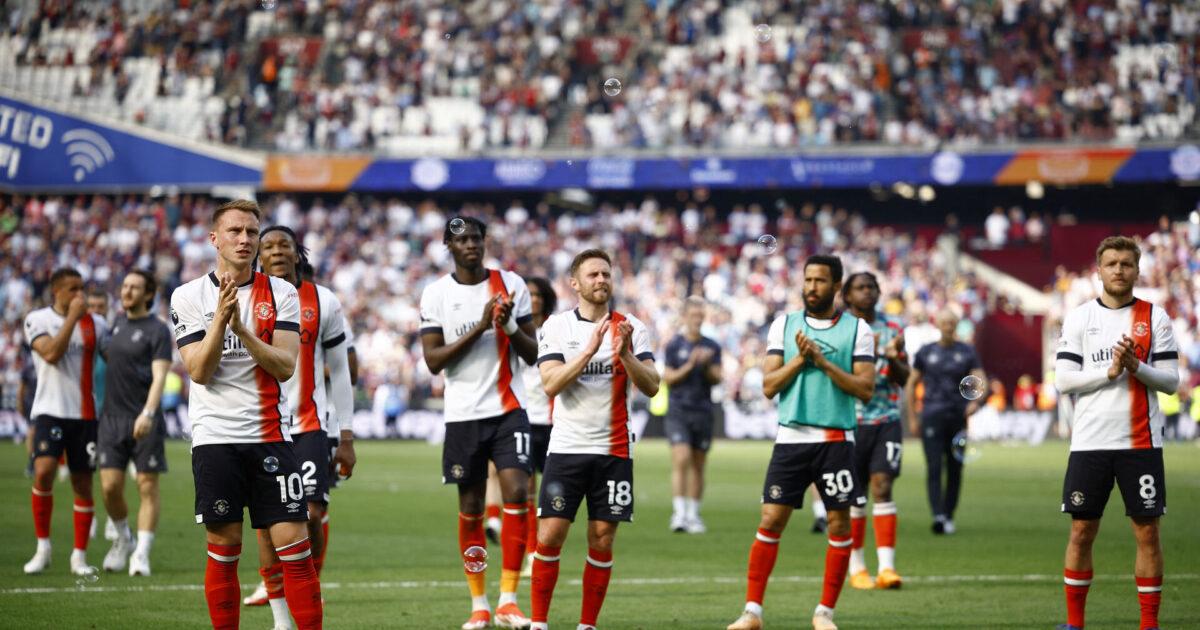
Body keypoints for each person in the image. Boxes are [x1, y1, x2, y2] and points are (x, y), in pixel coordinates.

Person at [170, 199, 322, 629]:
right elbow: (199, 370)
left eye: (251, 232)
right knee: (225, 548)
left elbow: (285, 365)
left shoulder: (282, 293)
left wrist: (242, 331)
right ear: (214, 239)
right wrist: (221, 319)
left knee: (296, 548)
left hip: (271, 436)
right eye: (235, 231)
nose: (244, 240)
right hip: (215, 439)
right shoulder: (188, 296)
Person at [726, 254, 875, 630]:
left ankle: (825, 613)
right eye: (808, 280)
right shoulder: (784, 325)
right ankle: (752, 613)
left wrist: (824, 363)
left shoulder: (858, 331)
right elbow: (769, 385)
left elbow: (866, 389)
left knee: (840, 525)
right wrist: (801, 360)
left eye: (820, 281)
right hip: (791, 438)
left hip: (836, 439)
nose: (812, 287)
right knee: (771, 519)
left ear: (836, 286)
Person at [419, 216, 539, 630]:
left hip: (509, 410)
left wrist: (505, 323)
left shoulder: (513, 284)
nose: (470, 244)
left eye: (475, 237)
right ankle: (480, 604)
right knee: (470, 508)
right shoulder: (436, 294)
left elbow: (532, 353)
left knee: (518, 490)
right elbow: (434, 361)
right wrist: (481, 324)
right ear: (448, 246)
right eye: (461, 238)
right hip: (463, 415)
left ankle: (508, 599)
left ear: (485, 242)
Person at [531, 248, 660, 630]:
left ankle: (587, 625)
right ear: (575, 284)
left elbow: (652, 386)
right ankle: (539, 623)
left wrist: (627, 356)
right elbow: (551, 383)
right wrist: (589, 350)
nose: (601, 280)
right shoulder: (556, 327)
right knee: (551, 534)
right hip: (567, 448)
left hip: (615, 450)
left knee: (602, 539)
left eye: (606, 274)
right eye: (593, 275)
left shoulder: (632, 326)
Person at [1054, 236, 1179, 630]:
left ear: (1137, 271)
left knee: (1147, 532)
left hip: (1140, 443)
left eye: (1126, 264)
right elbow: (1063, 381)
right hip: (1089, 443)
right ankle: (1075, 624)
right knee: (1081, 531)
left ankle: (1149, 625)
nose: (1119, 270)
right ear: (1099, 272)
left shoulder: (1154, 317)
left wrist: (1134, 367)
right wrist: (1108, 371)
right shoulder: (1078, 318)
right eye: (1112, 264)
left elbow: (1172, 382)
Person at [242, 226, 356, 630]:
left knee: (310, 512)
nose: (275, 251)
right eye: (267, 245)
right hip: (261, 426)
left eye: (283, 245)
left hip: (310, 426)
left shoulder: (322, 300)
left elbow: (341, 372)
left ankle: (308, 589)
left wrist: (346, 436)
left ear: (297, 253)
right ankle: (281, 618)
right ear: (257, 253)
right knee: (268, 522)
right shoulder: (247, 297)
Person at [23, 267, 110, 575]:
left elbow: (113, 358)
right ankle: (43, 548)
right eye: (72, 289)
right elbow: (50, 354)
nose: (80, 295)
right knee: (44, 471)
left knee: (83, 484)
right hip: (49, 410)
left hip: (85, 414)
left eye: (81, 288)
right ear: (56, 291)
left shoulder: (97, 324)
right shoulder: (38, 319)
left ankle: (79, 557)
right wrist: (72, 317)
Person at [97, 270, 172, 576]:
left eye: (134, 288)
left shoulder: (158, 330)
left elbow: (160, 377)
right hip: (111, 419)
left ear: (148, 295)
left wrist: (149, 413)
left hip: (143, 419)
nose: (126, 292)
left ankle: (141, 553)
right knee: (110, 487)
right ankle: (123, 537)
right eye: (125, 286)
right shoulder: (115, 325)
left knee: (146, 486)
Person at [842, 272, 908, 590]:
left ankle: (886, 568)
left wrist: (893, 357)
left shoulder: (894, 327)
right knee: (855, 494)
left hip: (886, 419)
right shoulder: (840, 328)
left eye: (872, 287)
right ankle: (856, 567)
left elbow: (905, 377)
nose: (867, 292)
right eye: (860, 288)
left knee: (882, 487)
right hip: (848, 420)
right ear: (847, 295)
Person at [904, 309, 984, 535]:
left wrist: (976, 402)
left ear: (957, 325)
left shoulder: (967, 352)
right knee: (934, 467)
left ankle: (949, 514)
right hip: (931, 416)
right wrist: (912, 417)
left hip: (958, 417)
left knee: (956, 468)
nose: (948, 326)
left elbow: (980, 380)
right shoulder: (925, 352)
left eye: (952, 322)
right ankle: (938, 515)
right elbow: (911, 384)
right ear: (937, 324)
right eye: (944, 322)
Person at [661, 296, 722, 534]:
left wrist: (705, 365)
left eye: (700, 315)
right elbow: (667, 378)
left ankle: (693, 515)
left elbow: (717, 378)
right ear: (685, 316)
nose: (697, 319)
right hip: (679, 410)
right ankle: (679, 514)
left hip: (703, 410)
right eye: (693, 315)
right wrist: (690, 365)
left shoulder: (712, 346)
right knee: (681, 458)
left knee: (698, 464)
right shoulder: (674, 345)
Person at [520, 276, 557, 577]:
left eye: (538, 295)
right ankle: (531, 550)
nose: (533, 299)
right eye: (528, 294)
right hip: (526, 418)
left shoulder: (554, 331)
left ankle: (545, 548)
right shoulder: (516, 332)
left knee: (550, 491)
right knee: (528, 488)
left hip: (555, 419)